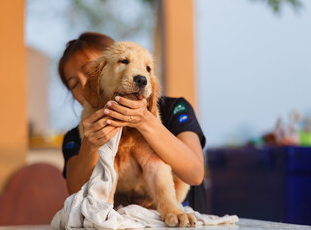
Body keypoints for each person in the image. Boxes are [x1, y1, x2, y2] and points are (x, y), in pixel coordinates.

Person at [58, 32, 207, 212]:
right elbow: (76, 192)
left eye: (88, 70)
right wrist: (90, 146)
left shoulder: (173, 109)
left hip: (178, 216)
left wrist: (145, 121)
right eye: (73, 84)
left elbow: (196, 174)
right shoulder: (77, 136)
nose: (83, 84)